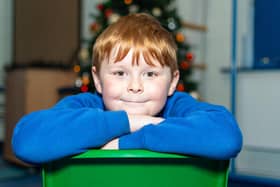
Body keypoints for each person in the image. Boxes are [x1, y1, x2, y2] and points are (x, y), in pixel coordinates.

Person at [12, 13, 242, 164]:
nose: (134, 87)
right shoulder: (87, 105)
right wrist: (134, 122)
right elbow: (26, 141)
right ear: (98, 80)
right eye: (120, 73)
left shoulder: (176, 105)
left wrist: (127, 143)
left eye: (150, 74)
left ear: (172, 82)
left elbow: (226, 138)